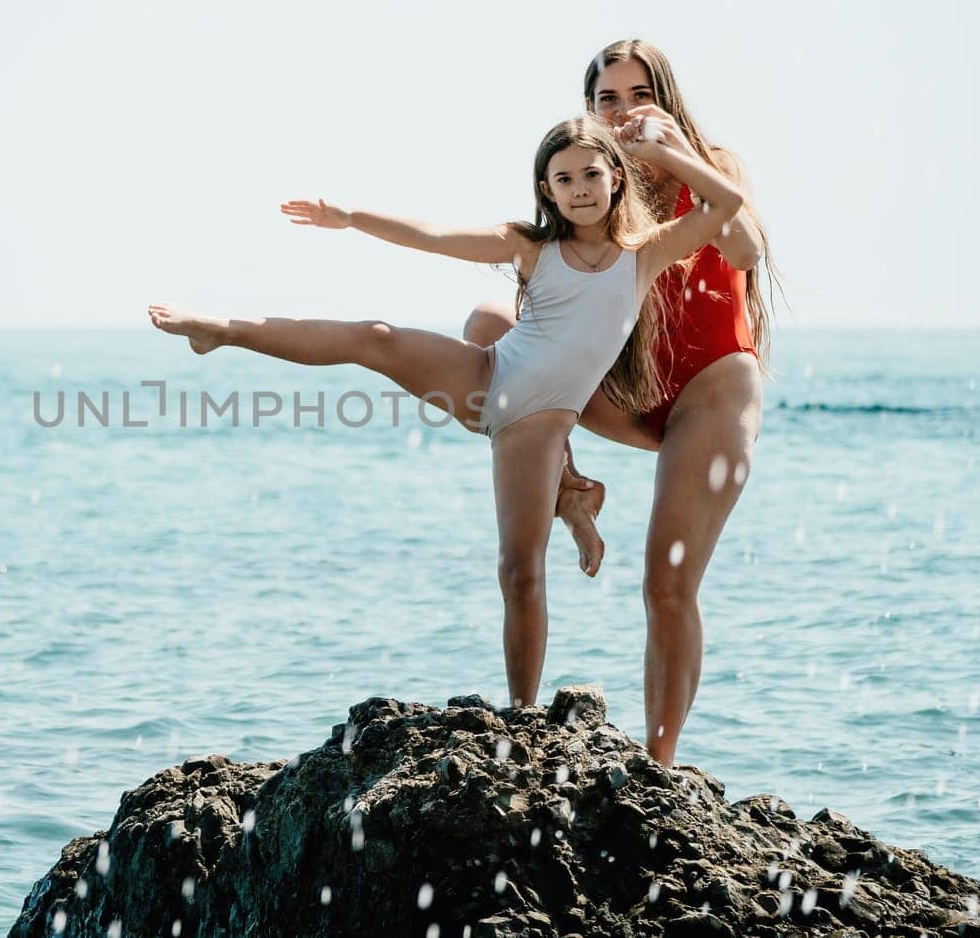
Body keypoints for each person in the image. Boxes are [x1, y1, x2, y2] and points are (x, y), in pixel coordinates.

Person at [148, 115, 747, 711]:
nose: (580, 189)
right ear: (547, 190)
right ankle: (222, 330)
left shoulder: (644, 254)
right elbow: (435, 235)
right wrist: (352, 218)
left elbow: (726, 203)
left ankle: (524, 715)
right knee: (374, 337)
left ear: (616, 178)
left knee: (520, 572)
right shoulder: (531, 246)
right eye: (564, 179)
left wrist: (666, 155)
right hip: (486, 378)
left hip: (534, 427)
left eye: (591, 174)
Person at [462, 40, 772, 765]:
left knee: (667, 582)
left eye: (639, 94)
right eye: (607, 99)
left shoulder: (712, 162)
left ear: (664, 98)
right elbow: (541, 321)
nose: (624, 110)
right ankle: (571, 487)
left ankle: (658, 768)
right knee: (486, 326)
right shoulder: (592, 187)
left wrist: (673, 154)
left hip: (711, 393)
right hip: (628, 395)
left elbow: (749, 249)